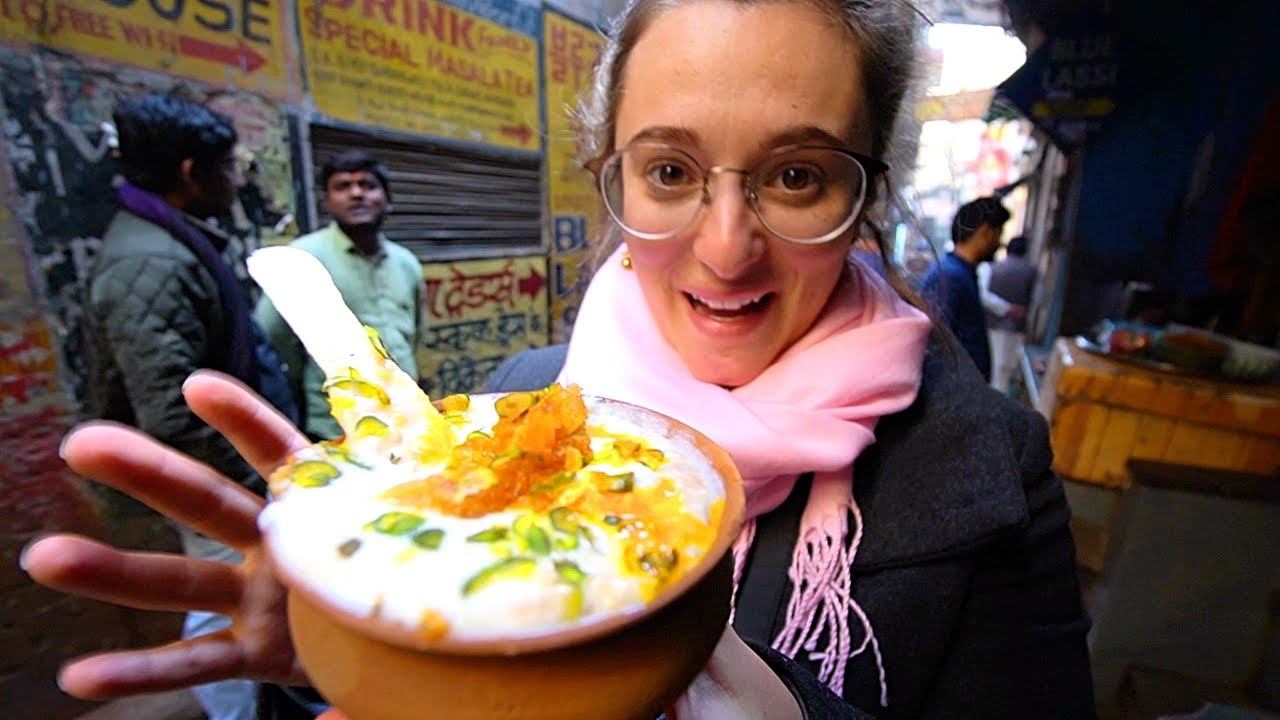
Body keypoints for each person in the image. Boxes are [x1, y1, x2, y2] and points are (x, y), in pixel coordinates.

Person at [23, 2, 1096, 718]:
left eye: (799, 177)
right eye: (670, 168)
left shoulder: (987, 468)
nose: (725, 248)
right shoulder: (506, 413)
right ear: (611, 176)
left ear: (870, 188)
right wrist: (376, 655)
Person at [79, 92, 298, 720]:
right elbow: (172, 412)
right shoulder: (149, 260)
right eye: (228, 167)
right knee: (234, 613)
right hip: (220, 475)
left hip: (237, 468)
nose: (235, 182)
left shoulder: (173, 240)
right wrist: (266, 480)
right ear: (190, 174)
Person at [255, 149, 423, 441]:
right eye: (342, 186)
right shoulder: (303, 258)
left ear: (388, 201)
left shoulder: (406, 262)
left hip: (408, 420)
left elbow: (415, 332)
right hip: (337, 429)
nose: (356, 194)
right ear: (327, 202)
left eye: (368, 185)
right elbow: (272, 338)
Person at [919, 196, 1011, 381]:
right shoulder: (949, 276)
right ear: (985, 232)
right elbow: (934, 348)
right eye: (999, 233)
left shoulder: (960, 272)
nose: (1000, 243)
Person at [981, 235, 1038, 394]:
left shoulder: (990, 268)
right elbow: (1038, 300)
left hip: (993, 325)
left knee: (995, 367)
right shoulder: (1031, 272)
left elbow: (984, 297)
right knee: (1007, 369)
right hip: (1017, 328)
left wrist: (1005, 308)